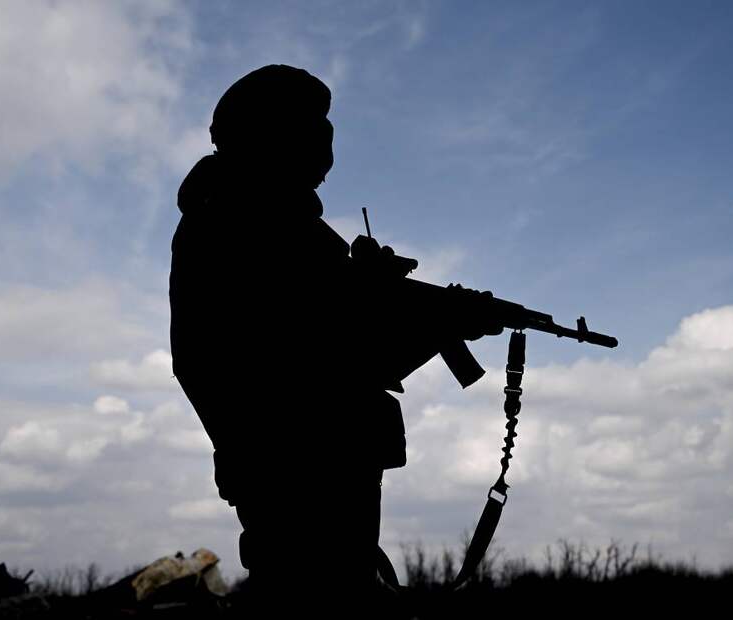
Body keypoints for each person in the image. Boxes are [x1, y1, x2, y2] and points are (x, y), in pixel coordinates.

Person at [169, 64, 497, 613]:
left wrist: (389, 300)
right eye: (312, 136)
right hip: (301, 472)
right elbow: (332, 355)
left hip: (310, 467)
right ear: (272, 137)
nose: (325, 156)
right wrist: (436, 321)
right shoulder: (250, 222)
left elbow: (334, 345)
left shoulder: (269, 223)